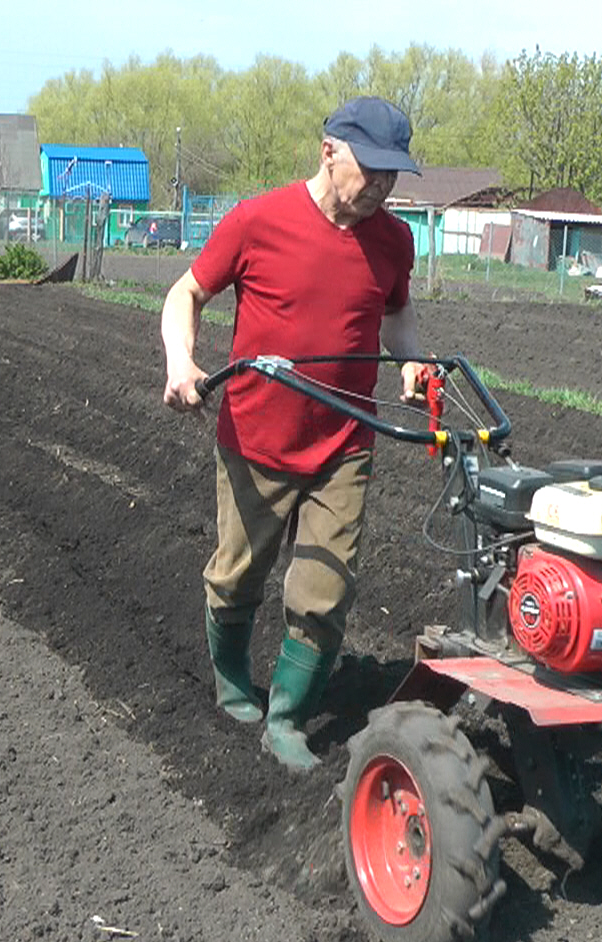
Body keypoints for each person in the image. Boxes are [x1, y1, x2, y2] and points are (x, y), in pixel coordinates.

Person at [160, 97, 431, 770]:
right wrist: (182, 362)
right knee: (238, 575)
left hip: (345, 442)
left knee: (324, 591)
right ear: (329, 151)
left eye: (393, 176)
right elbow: (185, 293)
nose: (382, 188)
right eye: (373, 171)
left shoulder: (395, 240)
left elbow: (395, 319)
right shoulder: (259, 220)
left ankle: (287, 718)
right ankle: (231, 679)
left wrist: (412, 360)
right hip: (255, 438)